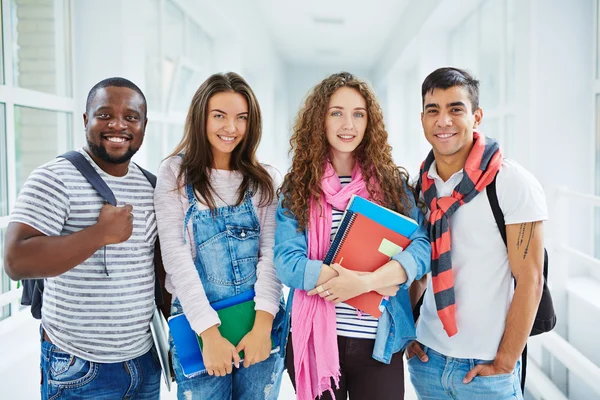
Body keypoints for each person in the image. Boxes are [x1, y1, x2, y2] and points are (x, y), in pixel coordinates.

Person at [274, 71, 431, 400]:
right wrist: (356, 280)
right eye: (337, 113)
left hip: (379, 344)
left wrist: (363, 284)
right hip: (317, 343)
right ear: (321, 120)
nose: (348, 124)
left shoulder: (391, 186)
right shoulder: (298, 189)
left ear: (369, 122)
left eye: (358, 114)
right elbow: (287, 263)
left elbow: (420, 247)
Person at [3, 78, 161, 399]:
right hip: (79, 366)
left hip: (144, 360)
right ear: (86, 120)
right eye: (104, 115)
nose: (118, 124)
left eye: (131, 117)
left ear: (144, 126)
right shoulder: (55, 177)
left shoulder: (151, 185)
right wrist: (100, 234)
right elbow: (15, 261)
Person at [406, 67, 547, 400]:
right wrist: (410, 332)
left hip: (486, 369)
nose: (444, 121)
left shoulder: (510, 182)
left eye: (456, 109)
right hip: (427, 361)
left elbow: (530, 279)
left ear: (477, 116)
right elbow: (417, 268)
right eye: (433, 110)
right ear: (423, 119)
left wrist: (505, 361)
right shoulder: (422, 186)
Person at [154, 72, 286, 399]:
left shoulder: (264, 180)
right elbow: (175, 255)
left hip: (259, 325)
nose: (231, 128)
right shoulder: (175, 173)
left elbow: (270, 256)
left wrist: (262, 327)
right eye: (219, 116)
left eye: (241, 118)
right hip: (200, 328)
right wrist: (209, 334)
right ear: (200, 118)